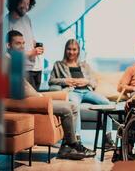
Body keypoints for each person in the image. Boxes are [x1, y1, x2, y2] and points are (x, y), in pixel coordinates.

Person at [6, 30, 96, 160]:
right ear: (9, 46)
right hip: (23, 101)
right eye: (18, 43)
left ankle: (67, 146)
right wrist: (40, 98)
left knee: (73, 106)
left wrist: (39, 95)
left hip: (33, 98)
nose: (22, 47)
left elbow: (25, 85)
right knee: (66, 108)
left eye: (23, 43)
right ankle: (72, 145)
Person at [48, 39, 115, 148]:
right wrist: (66, 80)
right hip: (72, 91)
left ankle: (108, 139)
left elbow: (94, 82)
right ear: (65, 50)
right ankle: (77, 139)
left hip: (86, 91)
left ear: (78, 51)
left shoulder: (85, 65)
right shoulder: (59, 64)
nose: (71, 52)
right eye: (69, 49)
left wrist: (86, 81)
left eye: (74, 49)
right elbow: (51, 81)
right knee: (75, 107)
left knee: (107, 103)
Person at [0, 0, 43, 91]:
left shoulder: (27, 18)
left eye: (28, 4)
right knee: (31, 103)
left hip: (36, 67)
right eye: (23, 3)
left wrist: (36, 46)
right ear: (14, 2)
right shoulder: (5, 24)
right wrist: (30, 53)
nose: (26, 7)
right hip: (22, 70)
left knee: (38, 103)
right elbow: (5, 55)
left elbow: (31, 39)